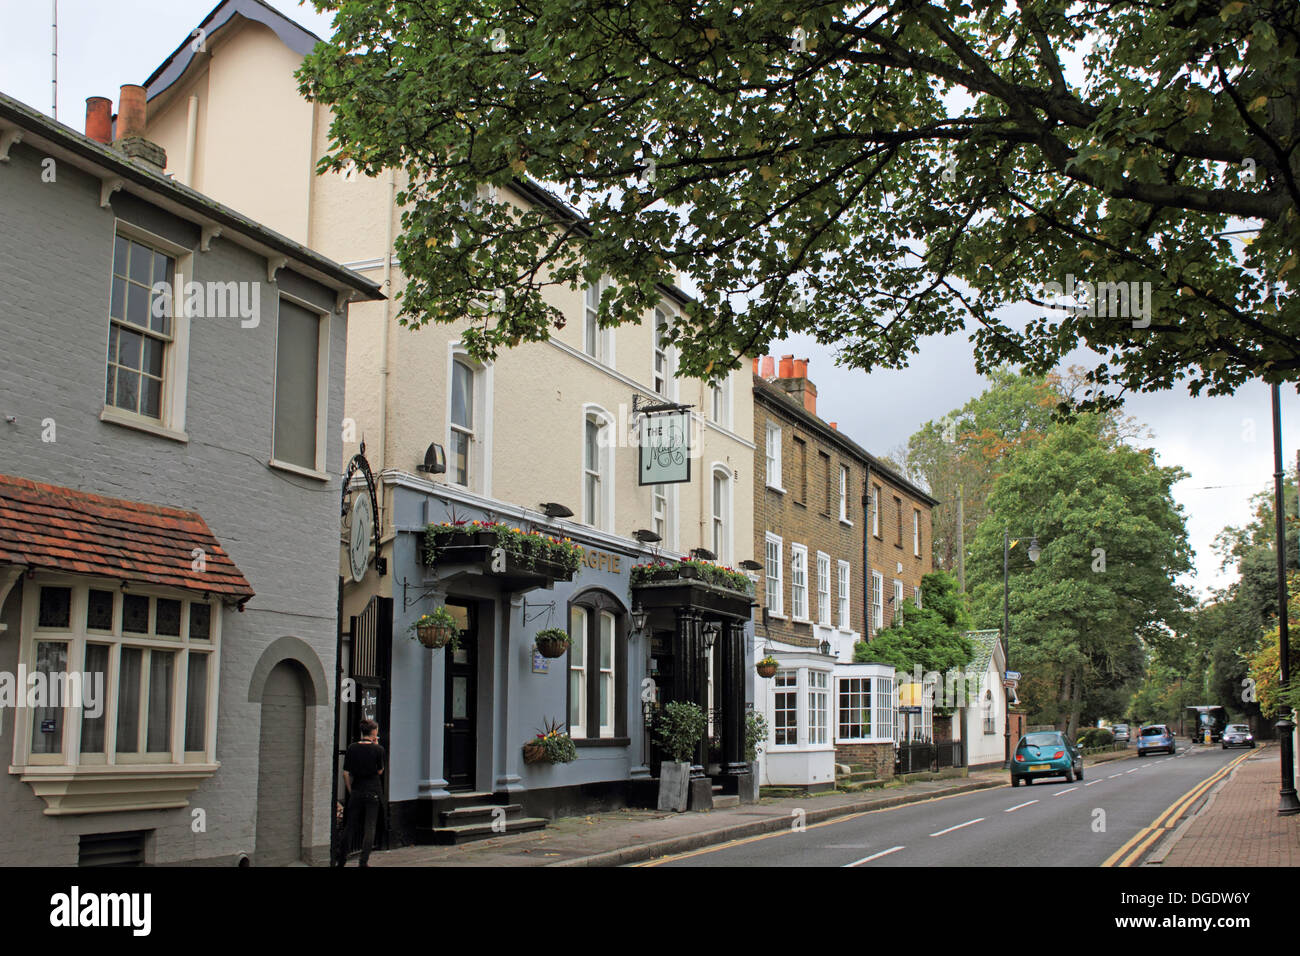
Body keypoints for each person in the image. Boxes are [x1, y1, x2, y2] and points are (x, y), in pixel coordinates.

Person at [336, 719, 385, 867]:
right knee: (369, 827)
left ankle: (341, 859)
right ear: (374, 732)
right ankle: (363, 862)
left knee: (350, 825)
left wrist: (351, 790)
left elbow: (346, 773)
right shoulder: (378, 749)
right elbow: (380, 770)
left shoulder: (352, 748)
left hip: (357, 789)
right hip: (373, 790)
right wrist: (376, 746)